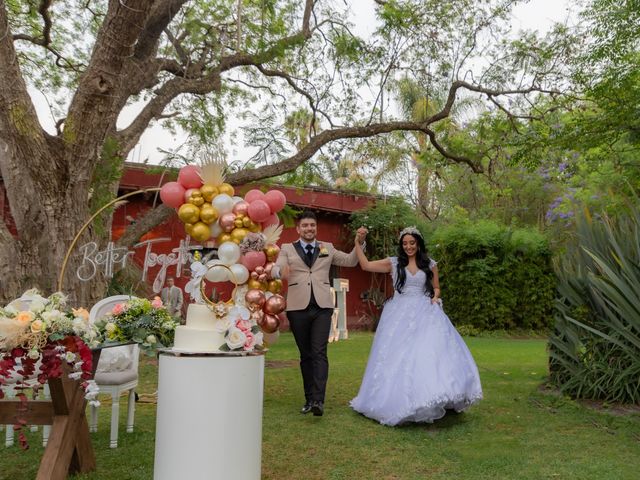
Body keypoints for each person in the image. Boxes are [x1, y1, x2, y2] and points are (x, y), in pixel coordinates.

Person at [350, 226, 482, 426]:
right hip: (398, 314)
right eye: (405, 244)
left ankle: (431, 394)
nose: (408, 247)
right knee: (397, 355)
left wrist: (435, 297)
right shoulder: (393, 263)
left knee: (426, 353)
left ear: (418, 243)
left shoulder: (430, 264)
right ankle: (397, 400)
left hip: (424, 311)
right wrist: (358, 243)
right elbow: (366, 265)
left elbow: (436, 287)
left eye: (412, 243)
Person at [275, 210, 366, 417]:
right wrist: (279, 271)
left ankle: (318, 401)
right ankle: (308, 399)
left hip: (322, 307)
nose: (309, 229)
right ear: (298, 229)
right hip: (297, 308)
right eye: (305, 226)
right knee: (306, 355)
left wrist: (359, 242)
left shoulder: (328, 248)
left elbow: (351, 261)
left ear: (316, 228)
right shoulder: (287, 248)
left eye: (312, 226)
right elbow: (279, 267)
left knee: (319, 352)